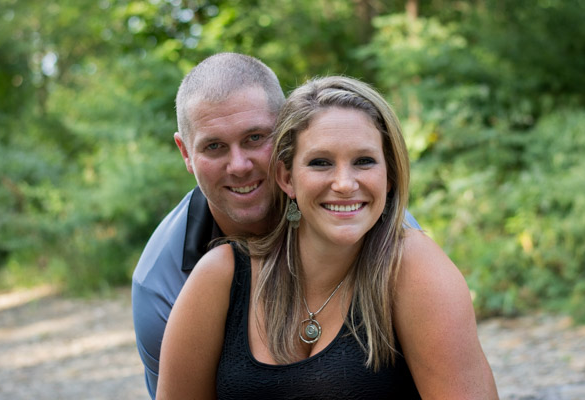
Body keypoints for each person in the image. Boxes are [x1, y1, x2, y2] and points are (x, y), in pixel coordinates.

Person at [157, 76, 499, 399]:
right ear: (286, 177)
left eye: (364, 161)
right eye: (320, 163)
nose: (345, 184)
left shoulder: (414, 267)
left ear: (390, 176)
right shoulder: (219, 275)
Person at [131, 53, 424, 398]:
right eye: (214, 146)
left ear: (288, 132)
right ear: (185, 153)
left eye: (255, 137)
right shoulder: (159, 286)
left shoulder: (362, 215)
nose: (239, 165)